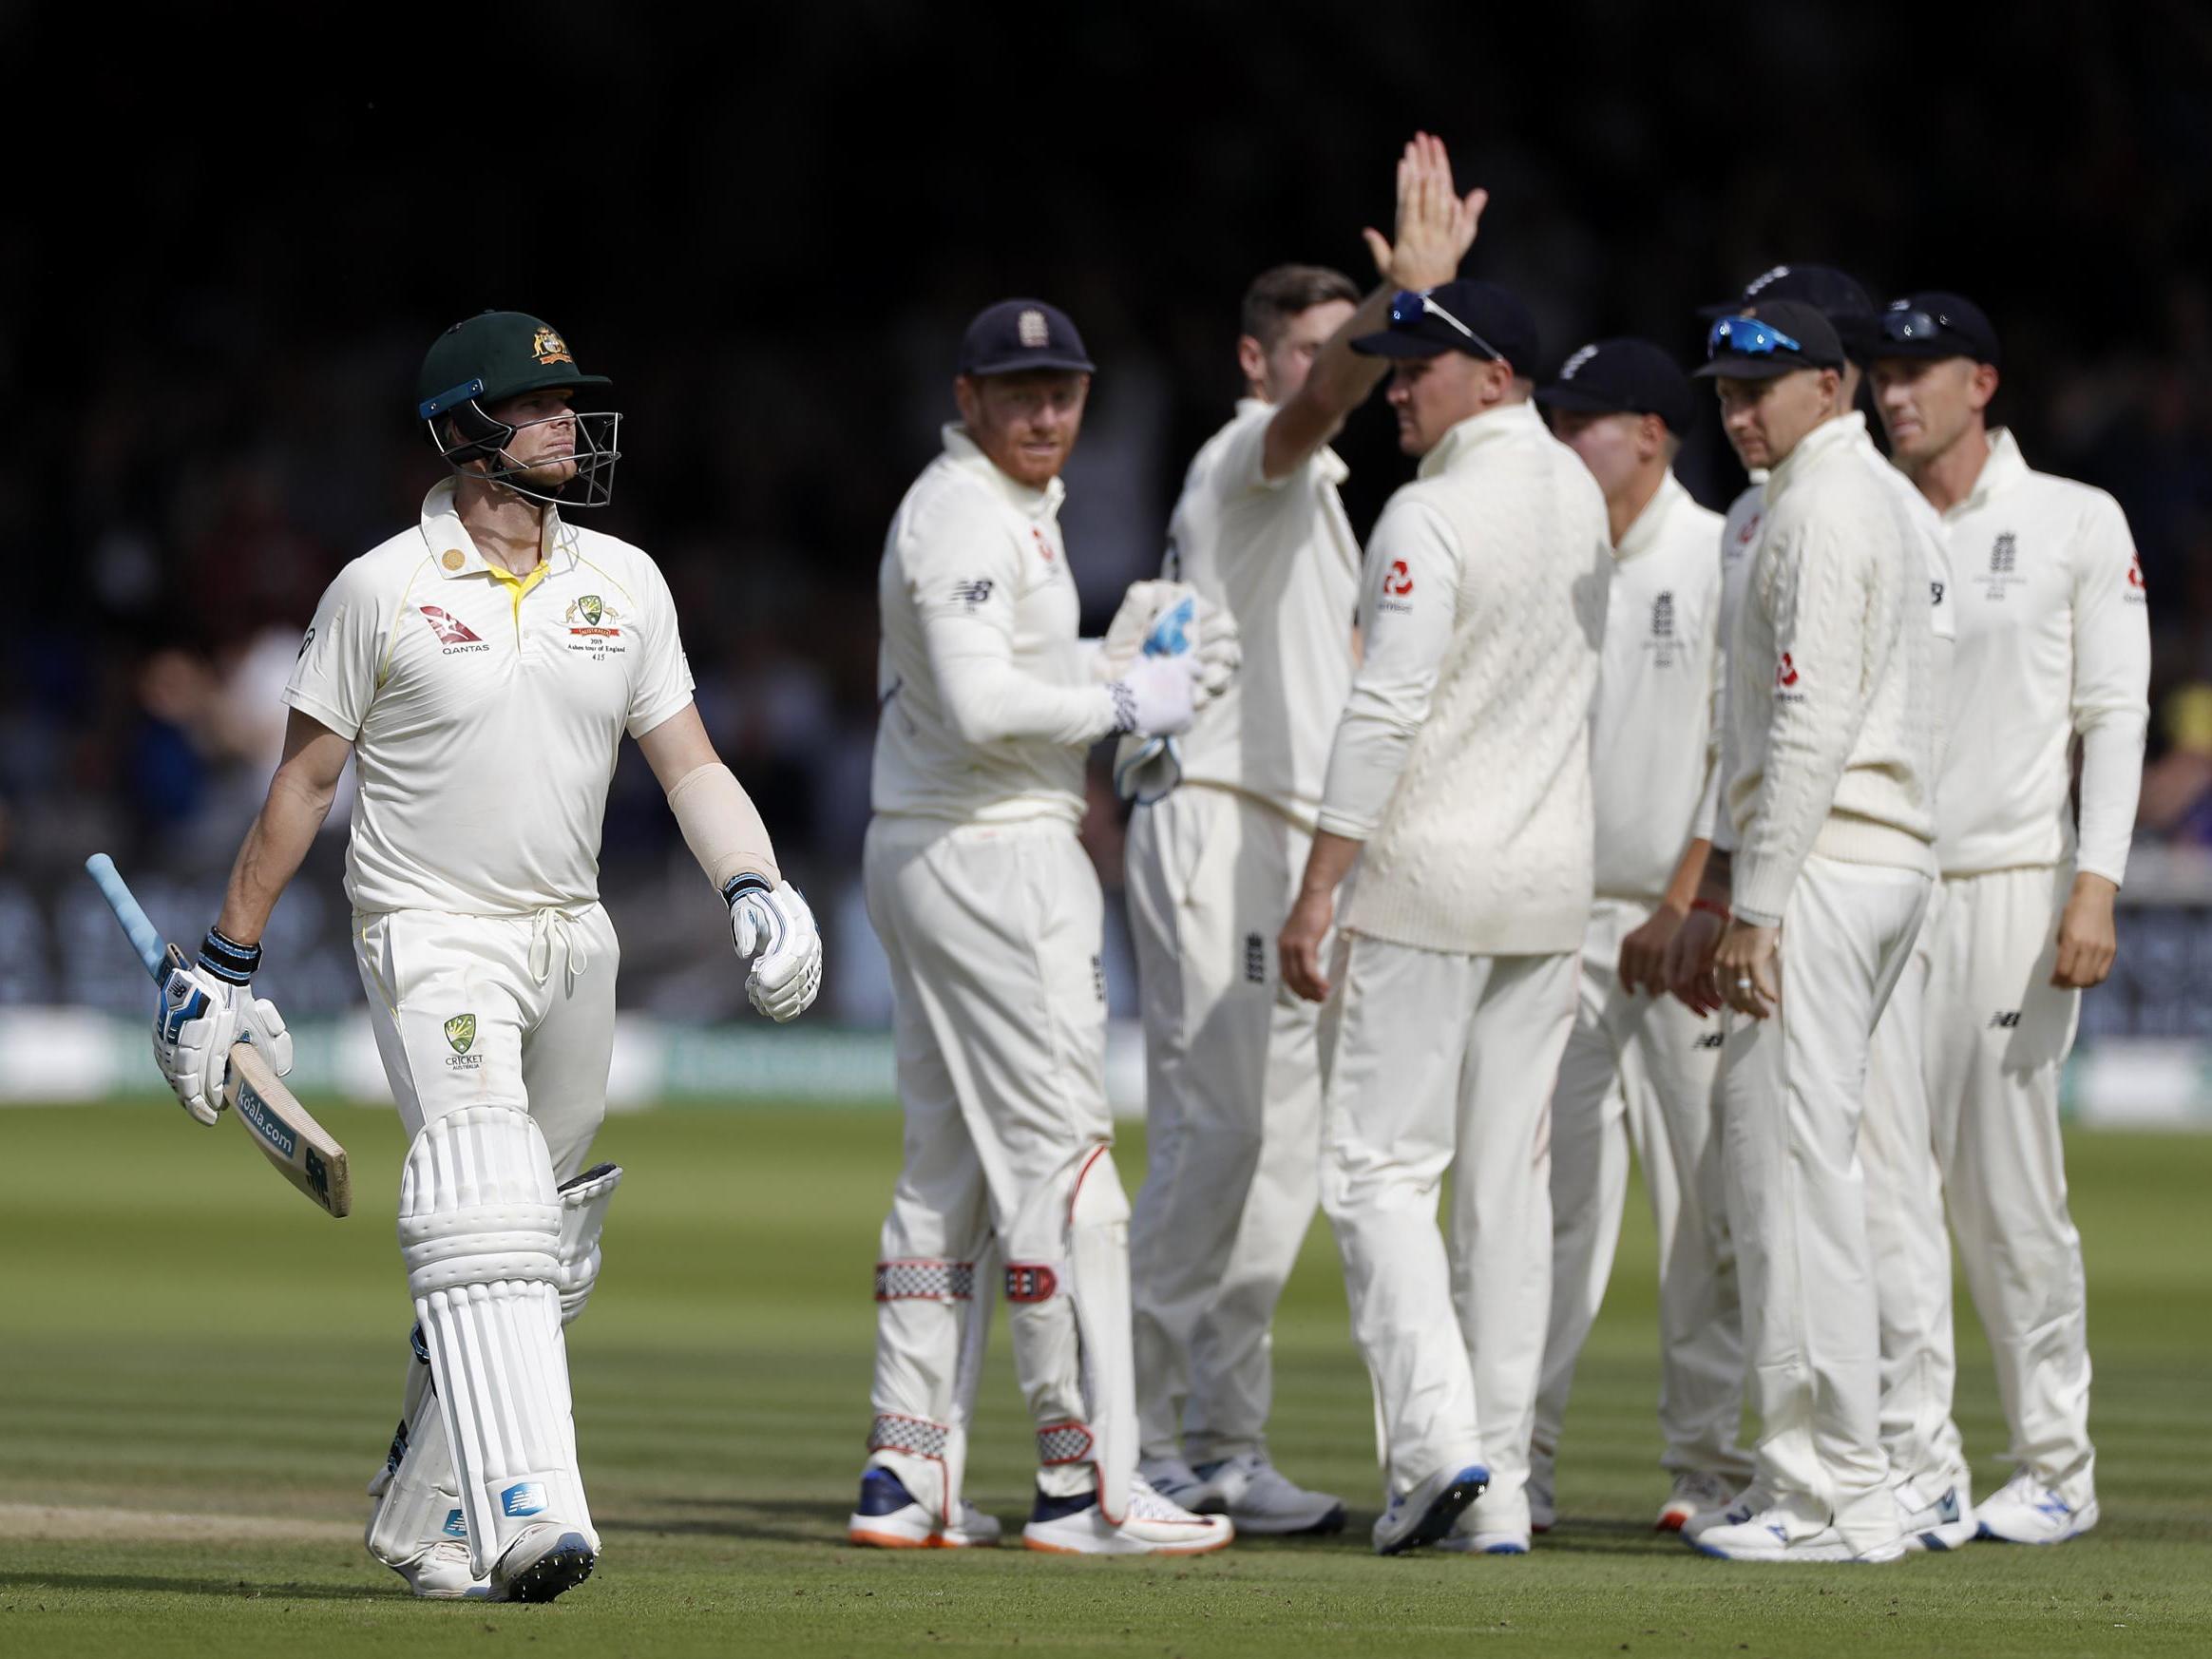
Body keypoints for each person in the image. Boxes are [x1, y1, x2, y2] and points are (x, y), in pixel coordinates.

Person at [148, 310, 824, 1602]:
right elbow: (300, 787)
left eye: (572, 403)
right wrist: (228, 962)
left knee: (541, 1238)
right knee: (488, 1203)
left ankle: (420, 1509)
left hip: (572, 937)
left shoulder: (623, 580)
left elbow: (691, 763)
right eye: (539, 405)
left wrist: (759, 883)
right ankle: (531, 1515)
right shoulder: (379, 587)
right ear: (465, 429)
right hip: (428, 928)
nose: (569, 423)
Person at [1122, 133, 1481, 1537]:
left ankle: (1218, 1439)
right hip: (1217, 822)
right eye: (1326, 352)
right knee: (1216, 1139)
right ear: (1258, 361)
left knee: (1274, 1153)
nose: (1359, 372)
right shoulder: (1248, 461)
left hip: (1276, 838)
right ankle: (1131, 1440)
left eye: (1370, 345)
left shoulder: (1322, 513)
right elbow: (1323, 403)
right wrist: (1418, 297)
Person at [850, 297, 1236, 1557]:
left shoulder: (1012, 512)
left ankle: (908, 1468)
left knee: (945, 1166)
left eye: (1061, 391)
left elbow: (1007, 662)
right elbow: (973, 700)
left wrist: (1108, 651)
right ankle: (1092, 1481)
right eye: (1016, 393)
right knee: (1069, 1167)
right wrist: (1132, 692)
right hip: (991, 855)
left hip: (946, 846)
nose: (1043, 413)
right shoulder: (962, 509)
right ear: (965, 398)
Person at [1278, 277, 1611, 1556]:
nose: (1398, 388)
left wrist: (1320, 886)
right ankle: (1506, 1493)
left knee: (1373, 1168)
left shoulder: (1427, 510)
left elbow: (1385, 709)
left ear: (1502, 377)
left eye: (1422, 368)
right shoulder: (1582, 495)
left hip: (1429, 879)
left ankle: (1438, 1449)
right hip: (1548, 890)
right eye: (1395, 367)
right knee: (1506, 1198)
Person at [1867, 291, 2150, 1545]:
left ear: (1982, 382)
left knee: (2007, 1193)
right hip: (1873, 889)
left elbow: (2115, 711)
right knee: (1883, 1191)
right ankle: (1916, 1459)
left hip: (2008, 889)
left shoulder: (2072, 519)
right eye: (1882, 373)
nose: (1892, 394)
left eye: (1919, 372)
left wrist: (2096, 880)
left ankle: (2054, 1462)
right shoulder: (1861, 516)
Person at [1681, 300, 1937, 1564]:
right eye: (1725, 393)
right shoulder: (1851, 493)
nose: (1738, 415)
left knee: (1792, 1177)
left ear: (1831, 387)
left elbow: (1809, 724)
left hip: (1831, 856)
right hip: (1866, 853)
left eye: (1761, 392)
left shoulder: (1827, 508)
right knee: (1796, 1168)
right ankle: (1837, 1476)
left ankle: (1835, 1489)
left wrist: (1756, 903)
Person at [1527, 338, 1751, 1535]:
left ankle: (1710, 1468)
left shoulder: (1716, 551)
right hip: (1560, 920)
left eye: (1584, 425)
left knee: (1703, 1204)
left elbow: (1734, 748)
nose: (1562, 446)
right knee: (1547, 1210)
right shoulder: (1554, 559)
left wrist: (1691, 905)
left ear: (1653, 434)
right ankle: (1524, 1464)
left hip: (1676, 931)